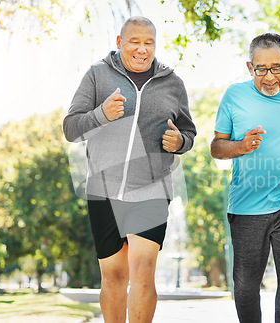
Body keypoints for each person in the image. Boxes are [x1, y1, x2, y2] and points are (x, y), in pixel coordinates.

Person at [63, 16, 196, 323]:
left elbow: (188, 134)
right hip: (103, 189)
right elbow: (71, 128)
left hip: (153, 187)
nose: (141, 49)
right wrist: (100, 115)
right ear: (120, 43)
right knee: (114, 276)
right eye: (134, 42)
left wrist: (179, 142)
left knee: (143, 271)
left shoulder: (173, 83)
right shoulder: (97, 75)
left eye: (148, 43)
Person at [210, 32, 280, 323]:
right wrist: (241, 146)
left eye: (276, 67)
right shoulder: (235, 96)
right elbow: (216, 147)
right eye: (261, 69)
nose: (269, 76)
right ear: (250, 68)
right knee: (246, 286)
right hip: (247, 206)